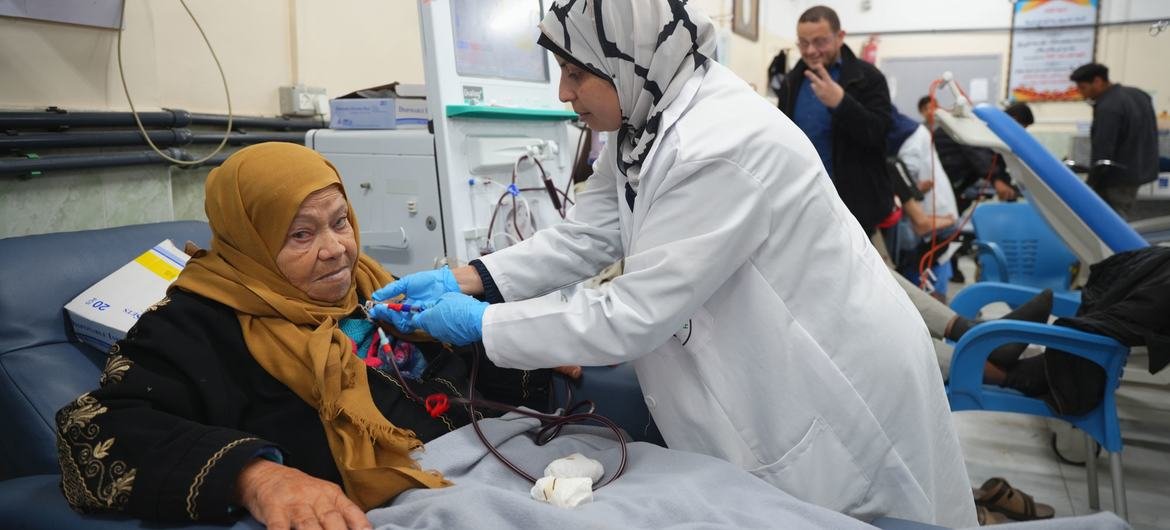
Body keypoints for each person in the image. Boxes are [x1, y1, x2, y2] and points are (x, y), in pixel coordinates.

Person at [374, 1, 976, 526]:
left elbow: (631, 314)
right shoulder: (644, 119)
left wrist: (483, 325)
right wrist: (468, 278)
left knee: (852, 514)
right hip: (777, 359)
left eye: (576, 73)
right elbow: (588, 233)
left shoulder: (717, 144)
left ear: (625, 59)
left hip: (828, 382)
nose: (563, 93)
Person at [55, 143, 483, 528]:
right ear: (249, 240)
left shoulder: (373, 284)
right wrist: (254, 476)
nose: (336, 249)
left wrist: (502, 331)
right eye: (301, 234)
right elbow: (93, 428)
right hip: (404, 503)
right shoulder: (193, 325)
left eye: (340, 222)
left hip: (483, 456)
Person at [776, 5, 895, 239]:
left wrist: (841, 102)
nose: (811, 50)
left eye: (820, 42)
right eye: (803, 43)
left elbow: (878, 134)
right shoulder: (791, 82)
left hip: (855, 206)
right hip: (804, 203)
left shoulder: (869, 78)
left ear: (840, 37)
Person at [1069, 62, 1159, 219]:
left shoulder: (1108, 107)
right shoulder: (1139, 95)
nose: (1081, 93)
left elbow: (1103, 149)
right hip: (1138, 171)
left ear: (1097, 81)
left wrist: (1092, 183)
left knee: (1112, 221)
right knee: (1123, 214)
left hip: (1115, 178)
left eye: (1083, 87)